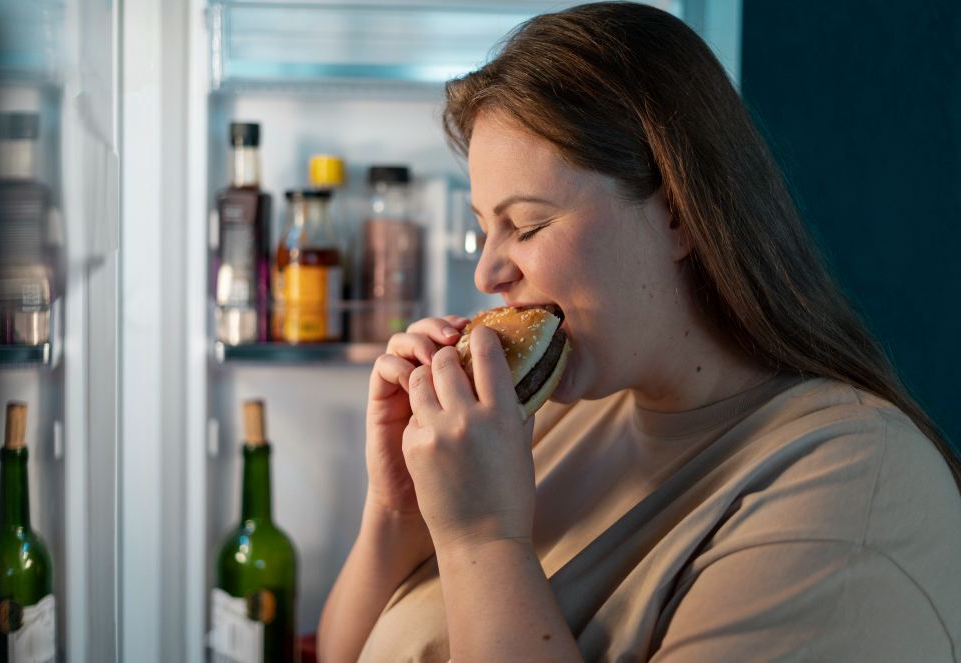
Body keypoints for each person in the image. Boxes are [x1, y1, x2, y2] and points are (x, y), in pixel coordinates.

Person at [317, 3, 961, 661]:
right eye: (486, 226)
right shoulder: (554, 415)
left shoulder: (853, 497)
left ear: (680, 214)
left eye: (529, 224)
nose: (488, 270)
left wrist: (482, 541)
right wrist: (398, 512)